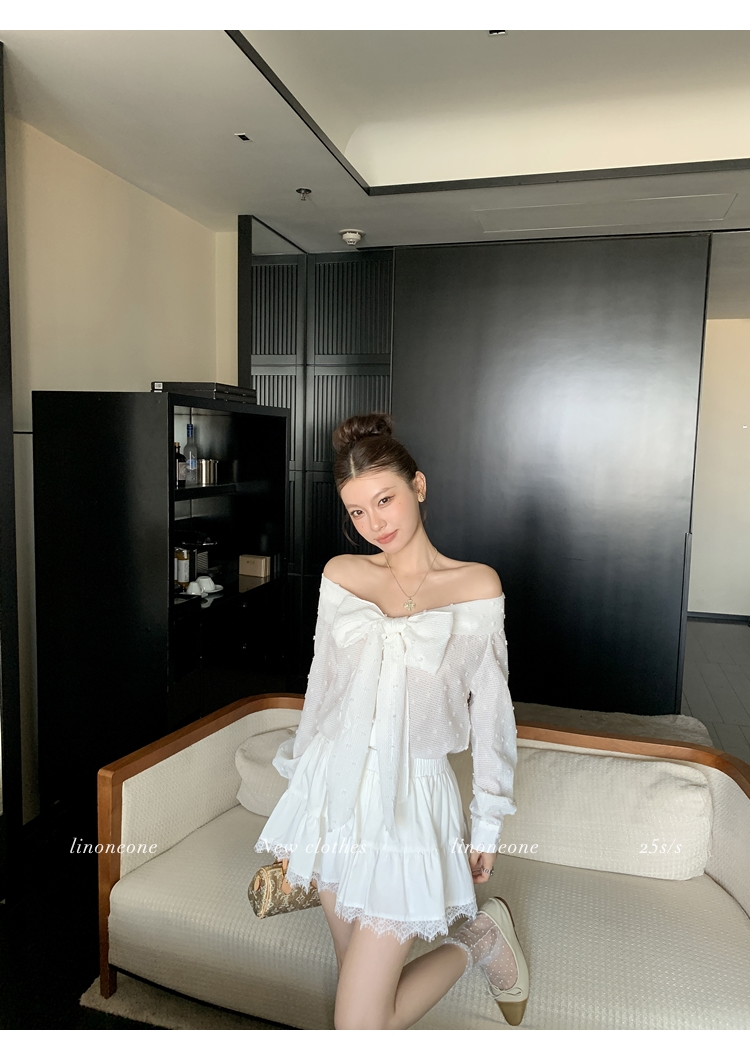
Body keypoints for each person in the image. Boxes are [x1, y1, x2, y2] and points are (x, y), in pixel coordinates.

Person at [255, 412, 529, 1030]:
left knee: (357, 1025)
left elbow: (493, 713)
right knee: (363, 1003)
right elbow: (321, 691)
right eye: (357, 511)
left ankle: (479, 939)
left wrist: (487, 822)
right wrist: (300, 803)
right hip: (333, 790)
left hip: (410, 800)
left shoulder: (476, 585)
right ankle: (482, 938)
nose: (375, 524)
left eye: (385, 500)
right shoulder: (341, 575)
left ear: (419, 486)